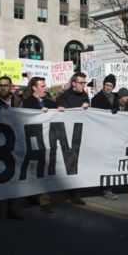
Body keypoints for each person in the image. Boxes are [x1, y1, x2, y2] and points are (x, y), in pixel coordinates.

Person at [0, 76, 25, 220]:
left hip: (14, 144)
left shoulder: (18, 101)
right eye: (0, 85)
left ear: (11, 86)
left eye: (5, 85)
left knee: (13, 176)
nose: (3, 88)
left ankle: (11, 207)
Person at [21, 77, 58, 211]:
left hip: (48, 141)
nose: (45, 88)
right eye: (42, 86)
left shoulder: (50, 102)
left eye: (45, 85)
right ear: (34, 88)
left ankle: (44, 200)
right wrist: (37, 113)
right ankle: (32, 193)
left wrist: (59, 111)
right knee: (33, 169)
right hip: (33, 140)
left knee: (43, 168)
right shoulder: (27, 103)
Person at [57, 72, 90, 205]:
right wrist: (78, 109)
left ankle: (76, 189)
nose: (83, 85)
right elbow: (64, 113)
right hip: (69, 133)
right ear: (73, 84)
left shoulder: (84, 95)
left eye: (84, 83)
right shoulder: (64, 97)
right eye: (81, 83)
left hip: (82, 132)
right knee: (71, 163)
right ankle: (74, 192)